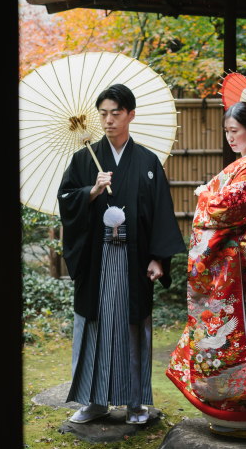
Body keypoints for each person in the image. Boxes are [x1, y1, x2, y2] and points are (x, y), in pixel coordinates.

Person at [58, 84, 186, 425]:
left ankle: (136, 404)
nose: (109, 120)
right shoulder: (84, 158)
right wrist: (91, 190)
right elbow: (66, 200)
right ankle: (94, 401)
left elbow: (160, 212)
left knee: (132, 328)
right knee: (95, 325)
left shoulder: (147, 161)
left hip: (134, 258)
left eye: (116, 113)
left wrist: (158, 258)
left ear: (131, 113)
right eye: (103, 113)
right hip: (97, 257)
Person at [166, 101, 246, 438]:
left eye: (235, 131)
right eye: (227, 132)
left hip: (234, 277)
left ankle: (233, 411)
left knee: (235, 341)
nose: (230, 137)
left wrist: (205, 194)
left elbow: (218, 212)